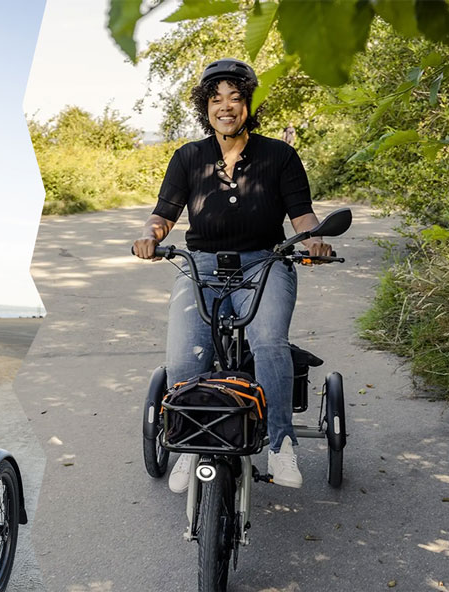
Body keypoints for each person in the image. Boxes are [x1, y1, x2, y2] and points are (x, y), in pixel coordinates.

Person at [132, 59, 332, 493]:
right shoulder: (188, 157)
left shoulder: (280, 155)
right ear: (205, 107)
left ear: (248, 105)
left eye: (236, 98)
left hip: (265, 260)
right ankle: (187, 444)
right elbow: (164, 214)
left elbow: (302, 215)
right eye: (216, 98)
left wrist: (313, 240)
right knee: (185, 355)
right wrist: (149, 235)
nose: (226, 106)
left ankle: (280, 445)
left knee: (268, 343)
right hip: (202, 263)